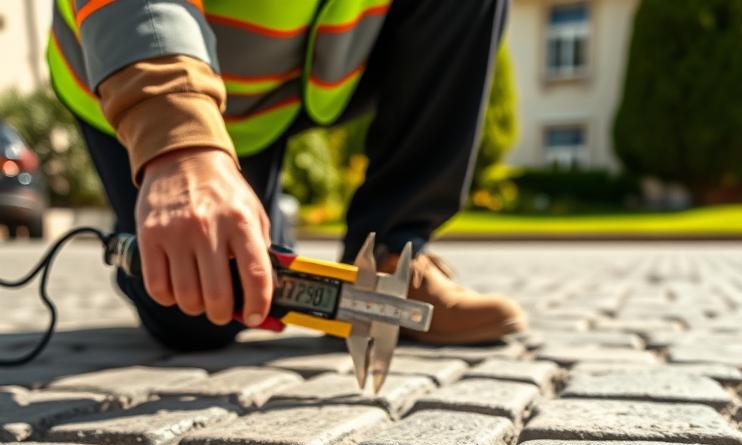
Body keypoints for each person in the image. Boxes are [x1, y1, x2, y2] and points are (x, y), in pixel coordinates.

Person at [48, 0, 526, 350]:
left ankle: (393, 255)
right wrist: (179, 142)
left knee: (239, 275)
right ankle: (137, 241)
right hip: (130, 63)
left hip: (307, 68)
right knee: (202, 308)